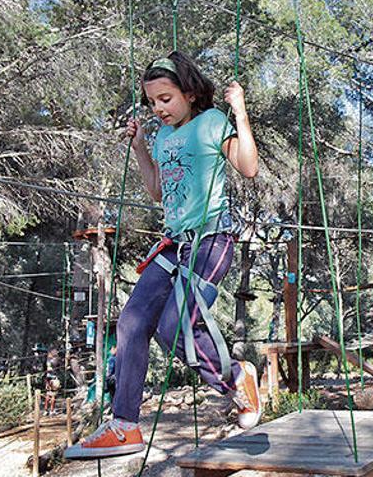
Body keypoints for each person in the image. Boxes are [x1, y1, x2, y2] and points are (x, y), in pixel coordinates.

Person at [65, 51, 261, 460]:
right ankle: (125, 426)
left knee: (174, 327)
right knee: (133, 322)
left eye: (166, 99)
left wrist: (239, 112)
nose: (158, 109)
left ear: (189, 94)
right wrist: (140, 147)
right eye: (152, 102)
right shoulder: (162, 137)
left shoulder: (210, 122)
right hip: (173, 244)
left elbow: (248, 167)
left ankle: (235, 378)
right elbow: (158, 191)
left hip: (211, 240)